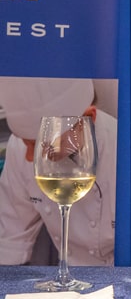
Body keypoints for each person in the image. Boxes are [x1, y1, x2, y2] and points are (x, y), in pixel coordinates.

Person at [0, 77, 117, 266]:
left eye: (43, 145)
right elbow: (10, 242)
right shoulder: (19, 149)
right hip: (63, 282)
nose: (30, 157)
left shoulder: (123, 154)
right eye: (26, 142)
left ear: (88, 119)